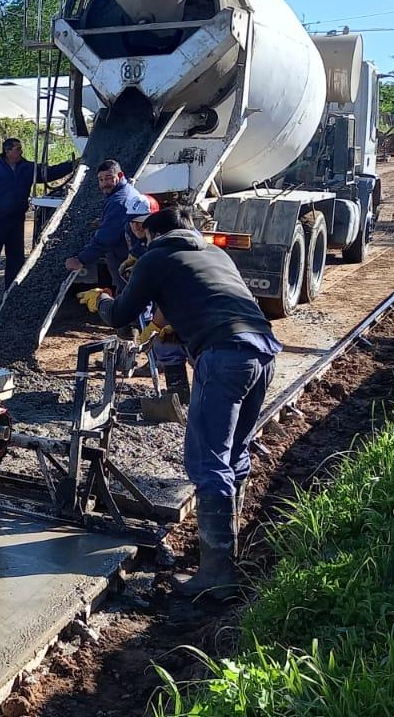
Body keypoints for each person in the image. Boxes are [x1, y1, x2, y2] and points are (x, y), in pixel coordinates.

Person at [80, 207, 281, 598]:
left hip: (223, 356)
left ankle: (217, 576)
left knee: (207, 462)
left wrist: (101, 301)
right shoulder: (214, 254)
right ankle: (228, 554)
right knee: (234, 454)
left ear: (154, 236)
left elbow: (122, 315)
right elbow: (207, 300)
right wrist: (174, 327)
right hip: (262, 351)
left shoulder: (157, 256)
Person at [0, 137, 77, 304]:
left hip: (16, 220)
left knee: (16, 257)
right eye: (17, 149)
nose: (21, 151)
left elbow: (48, 173)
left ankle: (11, 290)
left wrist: (71, 165)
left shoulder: (27, 168)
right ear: (7, 151)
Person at [120, 197, 190, 406]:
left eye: (142, 223)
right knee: (163, 340)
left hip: (177, 300)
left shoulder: (169, 242)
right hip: (156, 290)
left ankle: (182, 395)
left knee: (170, 336)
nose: (137, 227)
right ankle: (176, 394)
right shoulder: (130, 232)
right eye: (133, 222)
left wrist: (154, 324)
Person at [64, 159, 151, 286]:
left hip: (124, 260)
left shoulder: (119, 200)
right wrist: (104, 221)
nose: (104, 183)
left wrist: (81, 260)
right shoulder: (124, 192)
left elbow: (105, 238)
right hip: (128, 256)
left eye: (109, 178)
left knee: (127, 297)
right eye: (101, 180)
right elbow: (118, 224)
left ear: (120, 176)